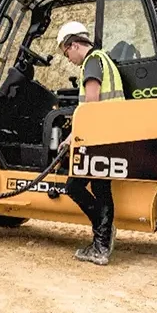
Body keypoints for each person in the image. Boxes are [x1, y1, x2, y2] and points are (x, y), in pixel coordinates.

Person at [55, 21, 125, 265]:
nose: (69, 58)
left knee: (75, 186)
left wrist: (74, 136)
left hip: (100, 135)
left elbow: (92, 104)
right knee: (100, 188)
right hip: (110, 132)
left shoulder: (92, 62)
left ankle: (102, 241)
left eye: (67, 53)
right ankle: (102, 240)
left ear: (74, 44)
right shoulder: (103, 59)